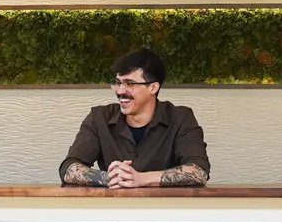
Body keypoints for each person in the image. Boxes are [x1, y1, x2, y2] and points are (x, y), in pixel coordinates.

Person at [59, 48, 211, 187]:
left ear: (153, 87)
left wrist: (142, 179)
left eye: (129, 83)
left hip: (165, 206)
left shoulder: (181, 118)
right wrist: (108, 177)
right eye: (117, 83)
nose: (120, 91)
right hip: (114, 206)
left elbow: (199, 171)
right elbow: (69, 167)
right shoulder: (99, 118)